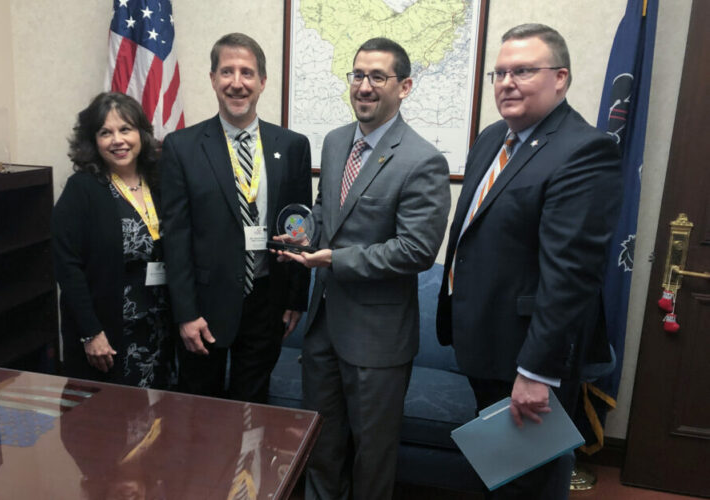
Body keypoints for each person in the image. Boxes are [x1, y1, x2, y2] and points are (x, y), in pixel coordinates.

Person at [436, 24, 622, 499]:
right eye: (499, 73)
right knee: (500, 475)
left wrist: (536, 373)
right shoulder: (494, 137)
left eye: (523, 70)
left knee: (529, 484)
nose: (506, 82)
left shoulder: (583, 150)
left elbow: (571, 277)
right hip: (484, 342)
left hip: (527, 356)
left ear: (560, 78)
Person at [278, 38, 450, 499]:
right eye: (357, 75)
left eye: (378, 76)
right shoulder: (336, 142)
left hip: (378, 339)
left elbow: (415, 250)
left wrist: (334, 258)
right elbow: (324, 211)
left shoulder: (422, 160)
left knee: (372, 456)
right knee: (321, 444)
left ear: (405, 86)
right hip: (322, 330)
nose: (365, 87)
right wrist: (305, 233)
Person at [159, 33, 312, 403]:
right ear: (213, 79)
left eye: (247, 72)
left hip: (267, 303)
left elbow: (301, 226)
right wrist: (185, 313)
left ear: (262, 82)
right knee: (200, 411)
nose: (237, 82)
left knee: (253, 408)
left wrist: (294, 299)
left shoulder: (292, 146)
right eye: (227, 71)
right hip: (205, 306)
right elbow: (176, 238)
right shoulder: (181, 147)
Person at [52, 92, 175, 389]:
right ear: (93, 141)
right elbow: (67, 267)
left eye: (125, 130)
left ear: (141, 134)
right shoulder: (82, 189)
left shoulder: (160, 181)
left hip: (159, 328)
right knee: (108, 424)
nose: (117, 140)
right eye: (105, 132)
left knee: (158, 419)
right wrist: (90, 333)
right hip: (108, 334)